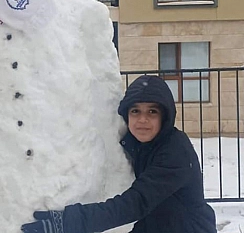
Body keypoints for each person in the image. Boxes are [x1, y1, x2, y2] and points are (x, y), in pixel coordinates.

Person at [21, 74, 217, 233]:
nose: (142, 120)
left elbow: (136, 202)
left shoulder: (175, 151)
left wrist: (70, 222)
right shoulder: (141, 145)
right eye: (135, 111)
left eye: (152, 112)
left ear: (165, 116)